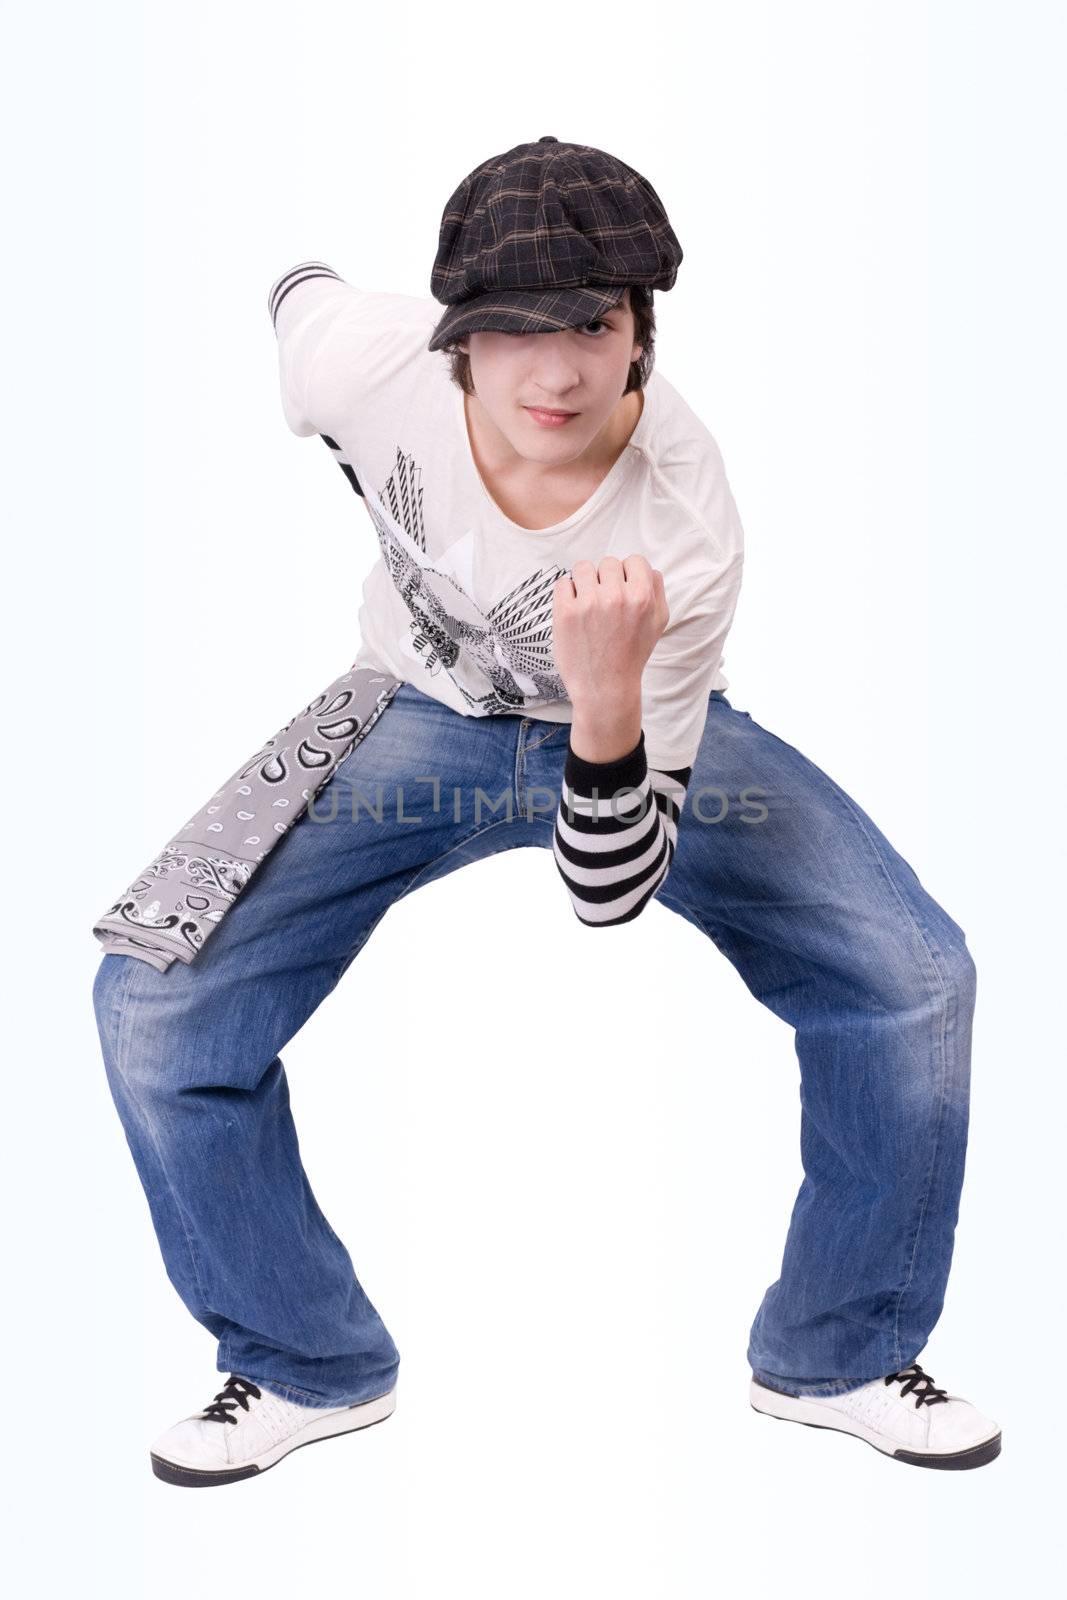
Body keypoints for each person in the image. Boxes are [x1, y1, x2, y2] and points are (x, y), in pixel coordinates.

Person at [91, 136, 1000, 1486]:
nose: (559, 371)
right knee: (153, 1003)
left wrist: (612, 700)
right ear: (456, 337)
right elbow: (297, 291)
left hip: (626, 724)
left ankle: (842, 1349)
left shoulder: (684, 523)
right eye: (515, 331)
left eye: (597, 324)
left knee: (914, 980)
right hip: (407, 712)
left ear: (642, 336)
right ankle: (303, 1362)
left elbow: (608, 892)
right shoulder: (363, 363)